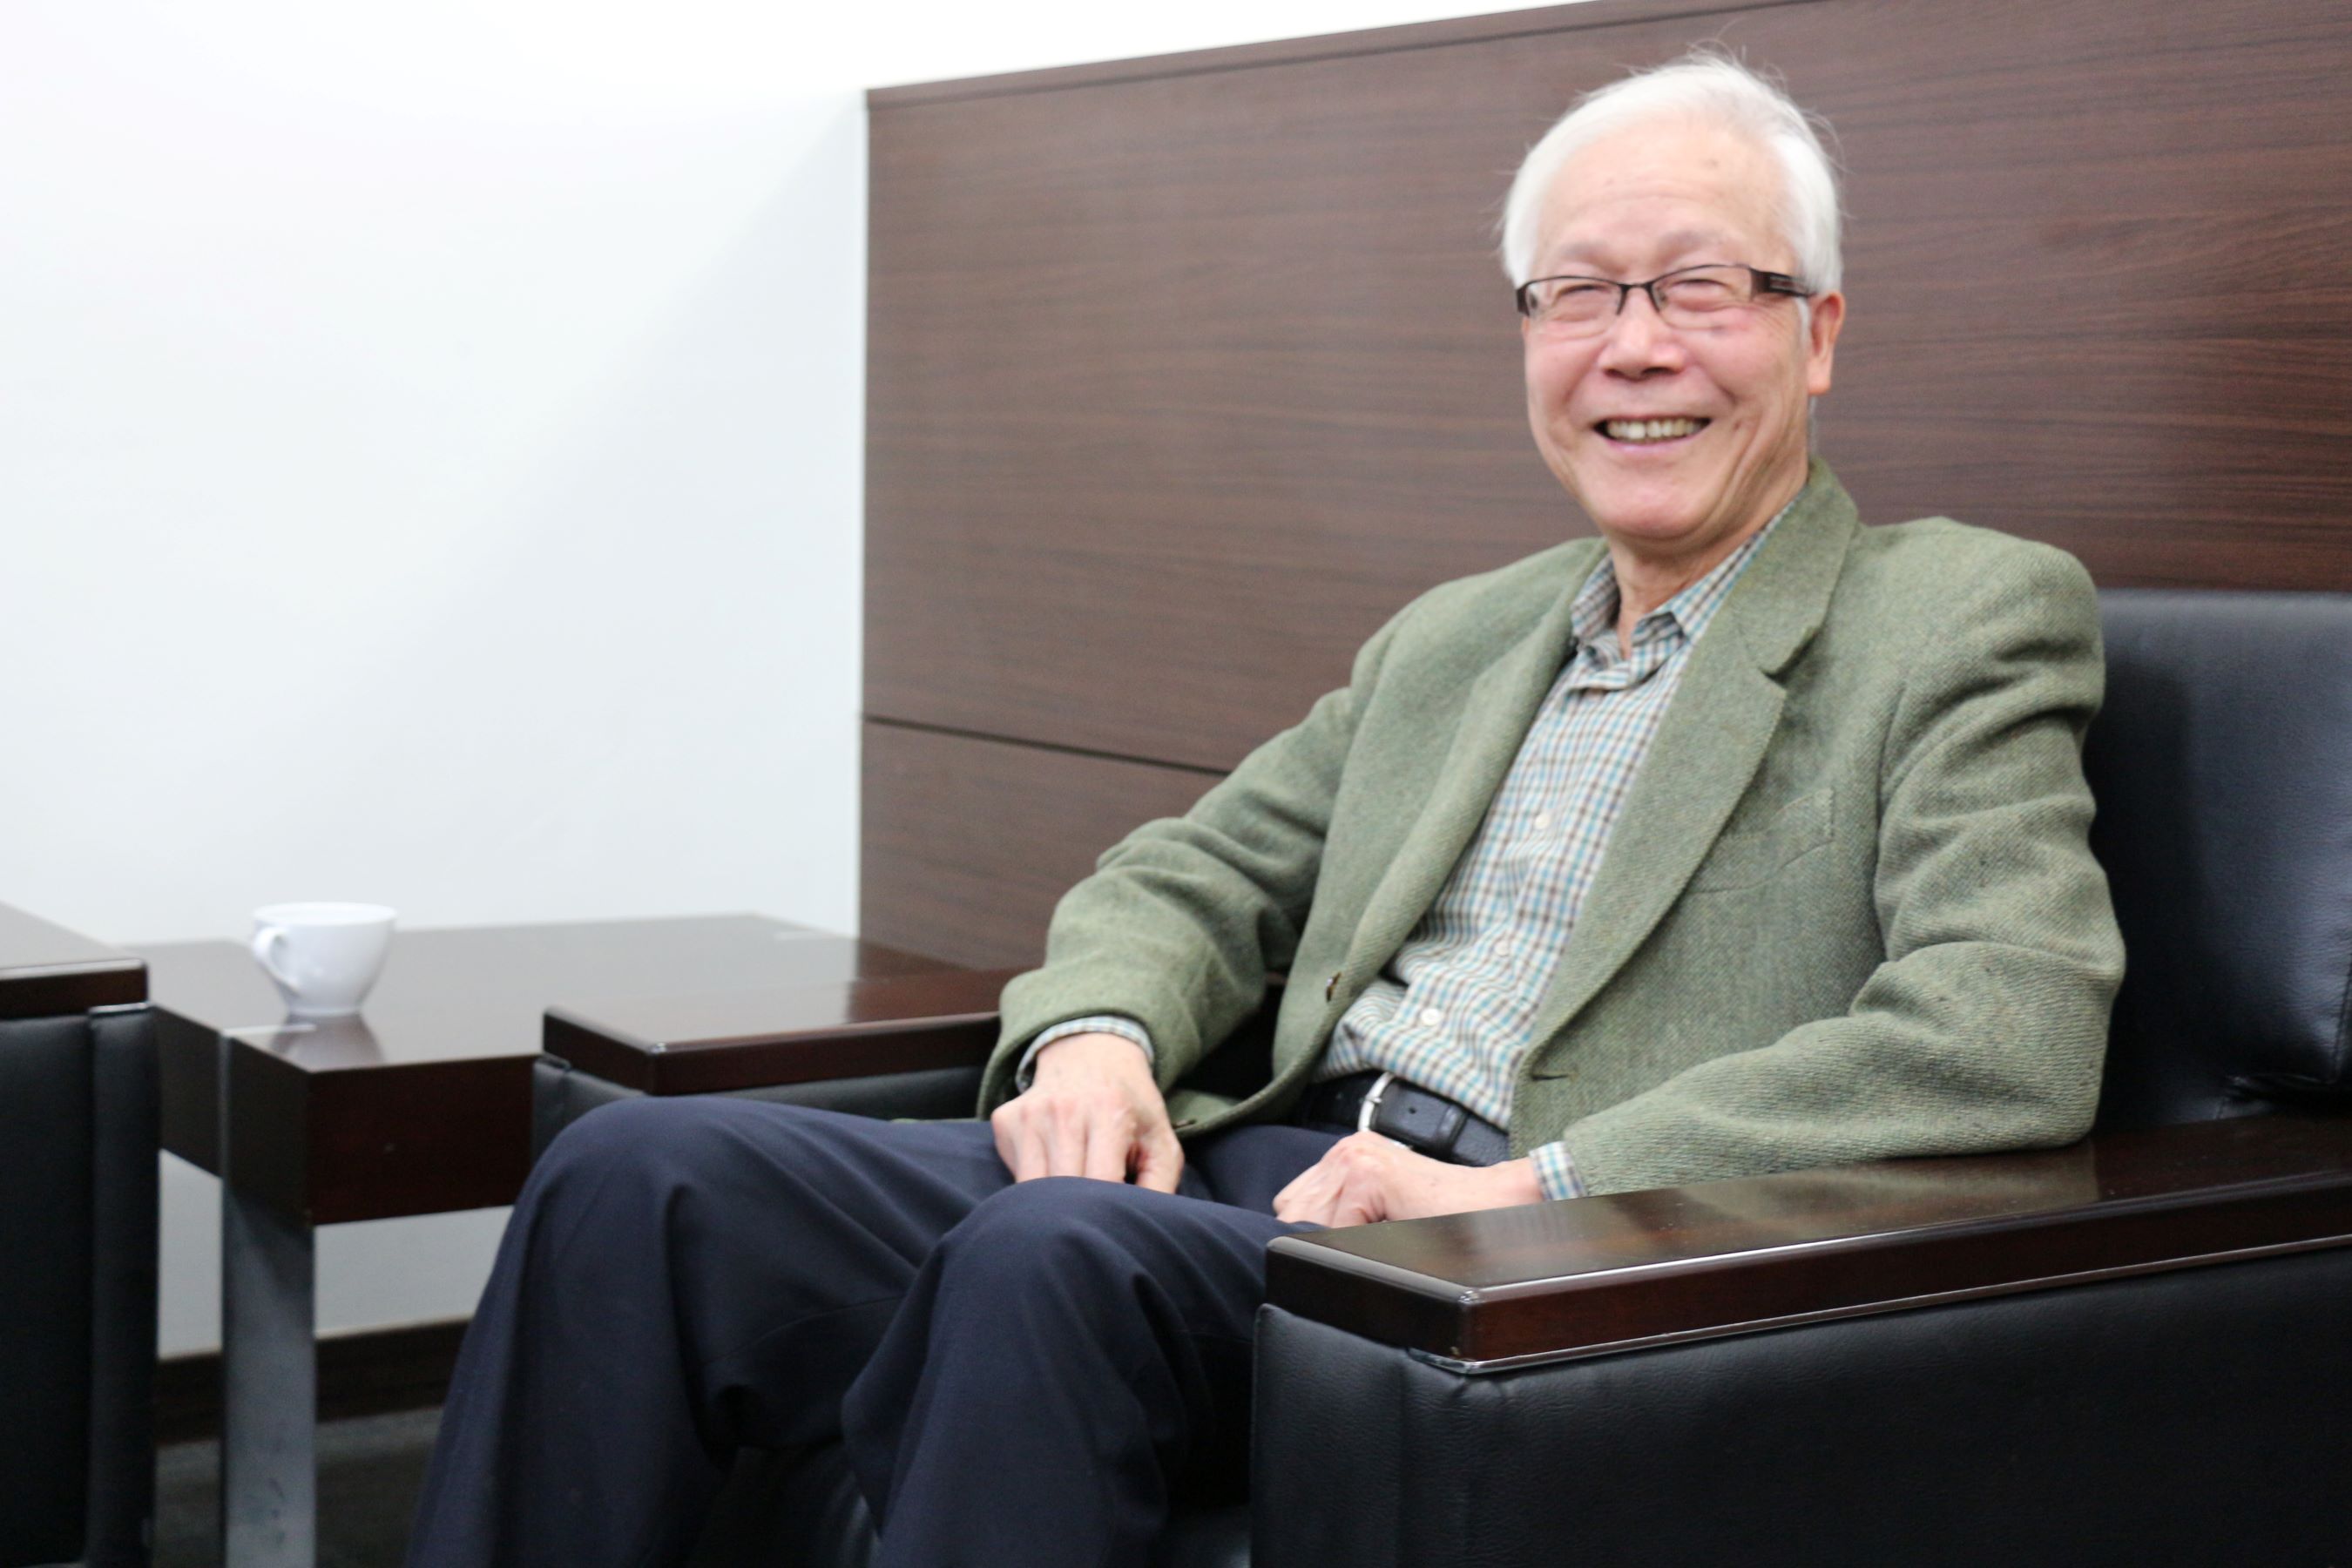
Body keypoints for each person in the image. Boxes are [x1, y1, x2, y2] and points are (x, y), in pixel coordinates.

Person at [406, 48, 2125, 1568]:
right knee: (639, 1174)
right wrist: (1095, 1041)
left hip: (1521, 1256)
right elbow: (1188, 875)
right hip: (1255, 1173)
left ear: (1818, 335)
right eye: (1576, 296)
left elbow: (2008, 1024)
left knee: (1050, 1254)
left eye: (1699, 287)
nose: (1634, 347)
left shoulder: (1957, 614)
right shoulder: (1457, 637)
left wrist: (1539, 1185)